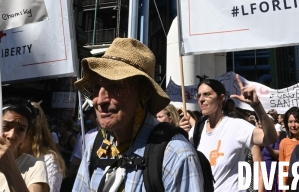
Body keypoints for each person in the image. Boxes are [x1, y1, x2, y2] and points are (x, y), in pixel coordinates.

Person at [72, 38, 203, 192]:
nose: (100, 100)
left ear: (145, 92)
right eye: (96, 87)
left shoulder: (175, 155)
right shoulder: (96, 147)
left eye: (115, 86)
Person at [179, 76, 277, 192]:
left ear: (221, 98)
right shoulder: (197, 129)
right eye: (199, 95)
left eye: (207, 94)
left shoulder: (236, 126)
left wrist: (256, 106)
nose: (201, 99)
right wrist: (181, 134)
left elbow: (270, 138)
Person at [19, 102, 66, 192]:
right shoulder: (11, 156)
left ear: (34, 131)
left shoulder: (49, 161)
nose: (13, 135)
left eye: (21, 129)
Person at [278, 107, 299, 188]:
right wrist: (284, 187)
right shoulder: (284, 142)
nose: (293, 125)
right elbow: (282, 168)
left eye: (296, 122)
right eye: (290, 122)